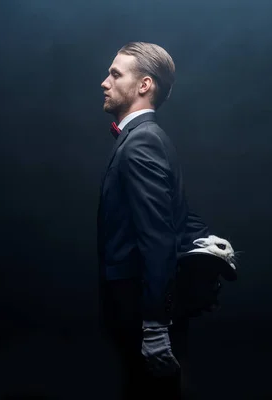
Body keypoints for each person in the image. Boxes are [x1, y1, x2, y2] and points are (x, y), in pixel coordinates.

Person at [97, 42, 211, 400]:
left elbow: (158, 238)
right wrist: (207, 238)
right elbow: (176, 216)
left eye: (115, 74)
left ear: (144, 85)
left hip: (139, 309)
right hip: (140, 306)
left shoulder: (141, 142)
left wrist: (156, 327)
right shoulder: (149, 137)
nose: (105, 82)